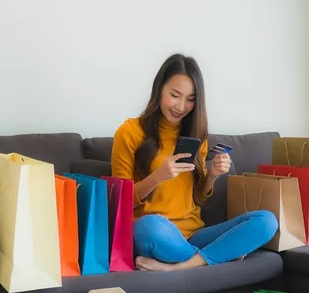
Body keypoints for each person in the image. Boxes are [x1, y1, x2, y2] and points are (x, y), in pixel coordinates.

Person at [111, 53, 278, 272]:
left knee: (267, 221)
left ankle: (182, 266)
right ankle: (218, 256)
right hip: (157, 234)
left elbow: (197, 197)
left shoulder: (196, 135)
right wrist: (157, 176)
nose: (181, 106)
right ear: (159, 88)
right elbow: (118, 202)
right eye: (175, 95)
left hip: (194, 235)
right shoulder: (130, 132)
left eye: (190, 99)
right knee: (148, 226)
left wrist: (212, 175)